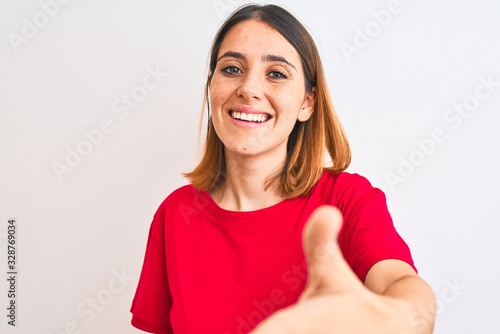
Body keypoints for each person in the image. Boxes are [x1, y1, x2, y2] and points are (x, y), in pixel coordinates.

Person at [130, 4, 436, 334]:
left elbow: (401, 282)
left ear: (307, 102)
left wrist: (399, 319)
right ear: (211, 86)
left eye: (276, 73)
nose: (248, 88)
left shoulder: (347, 200)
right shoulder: (177, 214)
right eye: (231, 69)